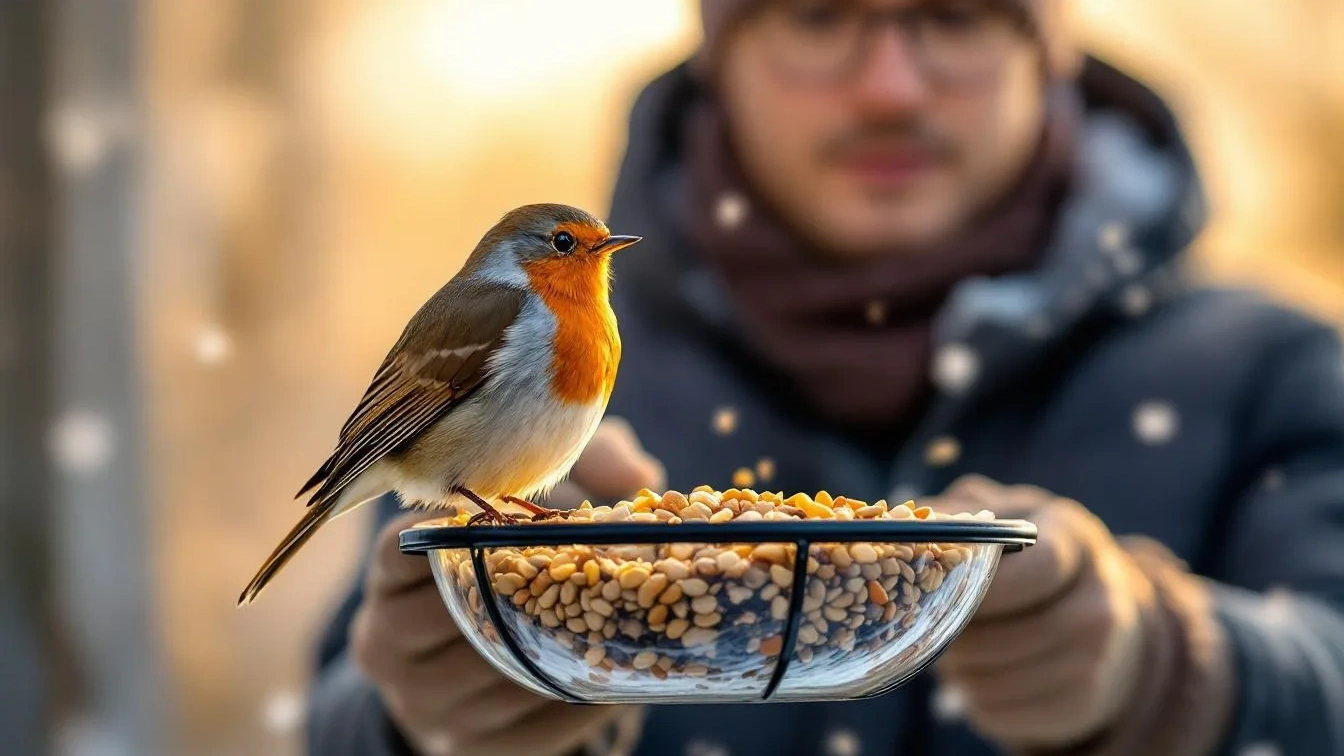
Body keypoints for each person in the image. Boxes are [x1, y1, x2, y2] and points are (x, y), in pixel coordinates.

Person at [304, 1, 1344, 754]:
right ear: (720, 47)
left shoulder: (1269, 374)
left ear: (1050, 47)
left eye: (955, 14)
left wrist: (1176, 672)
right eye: (816, 14)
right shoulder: (538, 341)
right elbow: (336, 711)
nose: (889, 81)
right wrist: (429, 714)